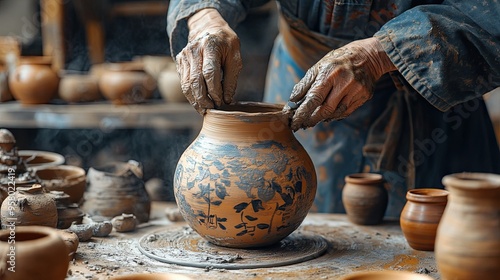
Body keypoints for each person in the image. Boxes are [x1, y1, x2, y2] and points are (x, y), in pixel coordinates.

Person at [167, 0, 500, 218]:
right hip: (305, 89)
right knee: (283, 214)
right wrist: (204, 16)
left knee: (441, 248)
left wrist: (380, 54)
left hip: (436, 99)